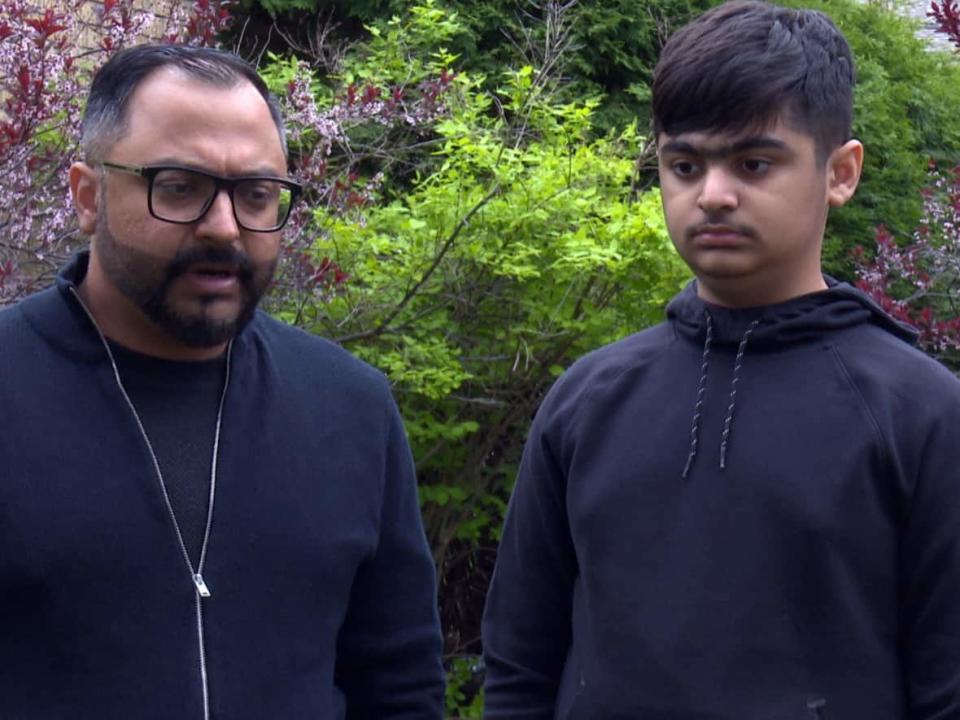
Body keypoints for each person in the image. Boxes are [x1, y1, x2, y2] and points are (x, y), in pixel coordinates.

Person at [481, 1, 960, 717]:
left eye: (754, 162)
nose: (713, 195)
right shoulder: (589, 398)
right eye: (685, 164)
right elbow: (520, 665)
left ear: (841, 172)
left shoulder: (921, 413)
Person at [0, 44, 444, 719]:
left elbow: (400, 685)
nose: (224, 227)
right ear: (88, 197)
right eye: (179, 186)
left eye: (257, 196)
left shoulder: (350, 407)